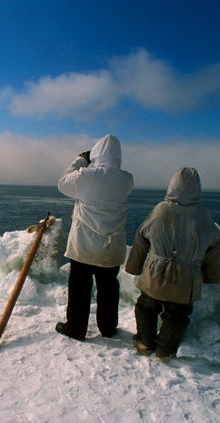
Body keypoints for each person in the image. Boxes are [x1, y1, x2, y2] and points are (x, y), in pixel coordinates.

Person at [125, 167, 220, 362]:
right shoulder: (203, 216)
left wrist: (133, 266)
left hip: (156, 272)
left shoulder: (161, 210)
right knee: (177, 315)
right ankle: (165, 350)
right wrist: (211, 277)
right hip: (187, 278)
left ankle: (145, 342)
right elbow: (215, 245)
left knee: (146, 306)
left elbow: (142, 234)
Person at [55, 134, 134, 340]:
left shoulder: (87, 176)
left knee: (80, 290)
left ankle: (76, 328)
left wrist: (81, 160)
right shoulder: (127, 179)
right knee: (108, 289)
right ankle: (108, 328)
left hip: (85, 247)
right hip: (111, 248)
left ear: (97, 154)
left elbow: (63, 183)